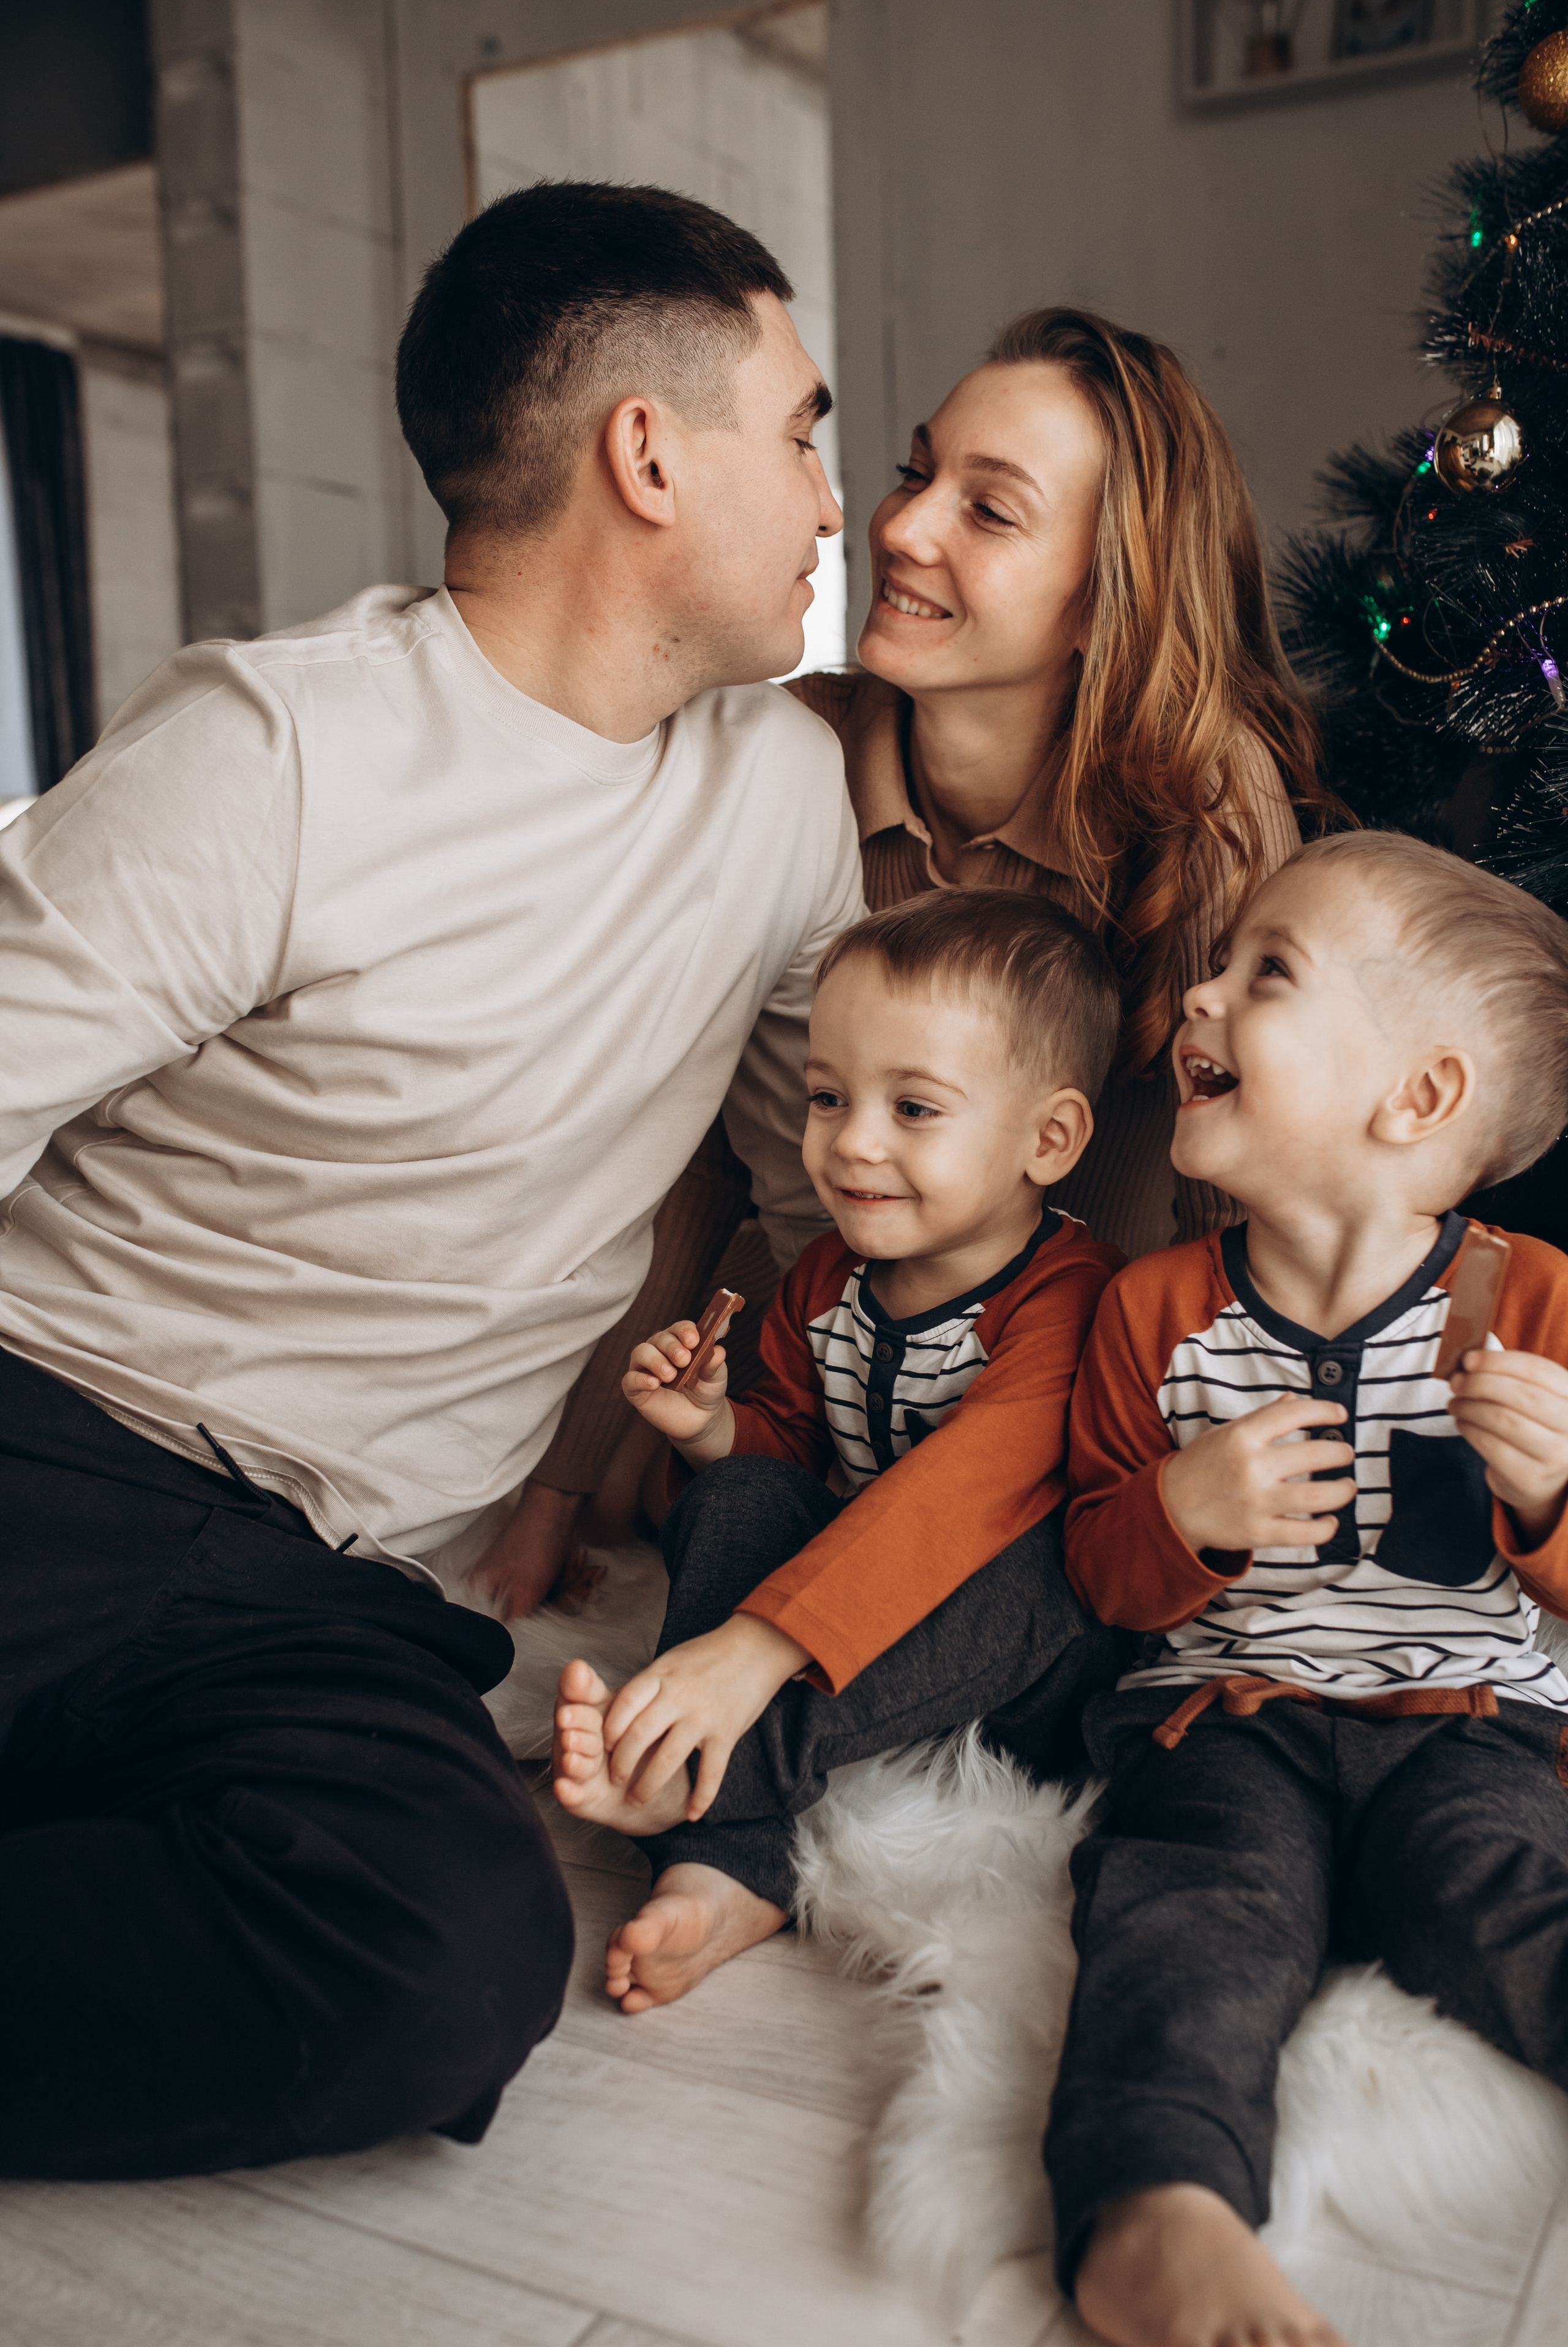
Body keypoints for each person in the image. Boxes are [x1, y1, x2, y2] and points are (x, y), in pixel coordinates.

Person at [0, 180, 862, 2177]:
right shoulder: (277, 752)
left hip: (334, 1587)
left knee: (447, 1961)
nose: (834, 504)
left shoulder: (785, 799)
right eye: (804, 433)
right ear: (649, 455)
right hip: (54, 1444)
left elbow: (821, 1212)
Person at [498, 306, 1338, 1616]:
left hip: (1072, 1404)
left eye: (988, 511)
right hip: (812, 1375)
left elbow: (1241, 1206)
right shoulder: (788, 759)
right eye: (914, 470)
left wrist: (1193, 1509)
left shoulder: (1202, 812)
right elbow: (691, 1148)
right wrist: (559, 1489)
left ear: (1105, 594)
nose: (898, 526)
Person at [1047, 830, 1568, 2347]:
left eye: (1263, 972)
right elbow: (1094, 1577)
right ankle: (1155, 2207)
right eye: (1217, 964)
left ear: (1416, 1098)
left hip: (1470, 1726)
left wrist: (1549, 1498)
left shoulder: (1531, 1302)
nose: (1197, 997)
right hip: (1228, 1716)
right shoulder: (1151, 1311)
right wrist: (1178, 1513)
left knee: (1503, 1897)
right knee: (1188, 1916)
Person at [552, 888, 1128, 2010]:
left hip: (1025, 1672)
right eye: (829, 1096)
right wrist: (714, 1428)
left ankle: (703, 1769)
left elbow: (962, 1499)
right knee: (737, 1498)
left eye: (914, 1108)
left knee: (1047, 1559)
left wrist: (749, 1652)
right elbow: (793, 1452)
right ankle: (727, 1870)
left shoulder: (1073, 1298)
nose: (854, 1141)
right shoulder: (828, 1278)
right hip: (857, 1653)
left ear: (1048, 1140)